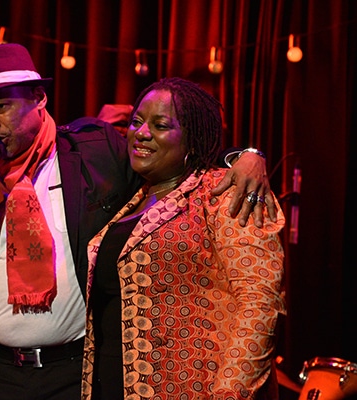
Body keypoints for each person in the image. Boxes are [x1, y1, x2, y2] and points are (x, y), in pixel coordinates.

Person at [0, 43, 275, 400]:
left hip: (75, 372)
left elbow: (174, 161)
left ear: (38, 98)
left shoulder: (94, 151)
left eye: (0, 107)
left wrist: (245, 156)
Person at [81, 77, 286, 399]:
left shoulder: (225, 193)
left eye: (161, 125)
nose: (141, 132)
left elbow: (259, 304)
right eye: (136, 122)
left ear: (193, 139)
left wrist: (230, 393)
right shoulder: (130, 199)